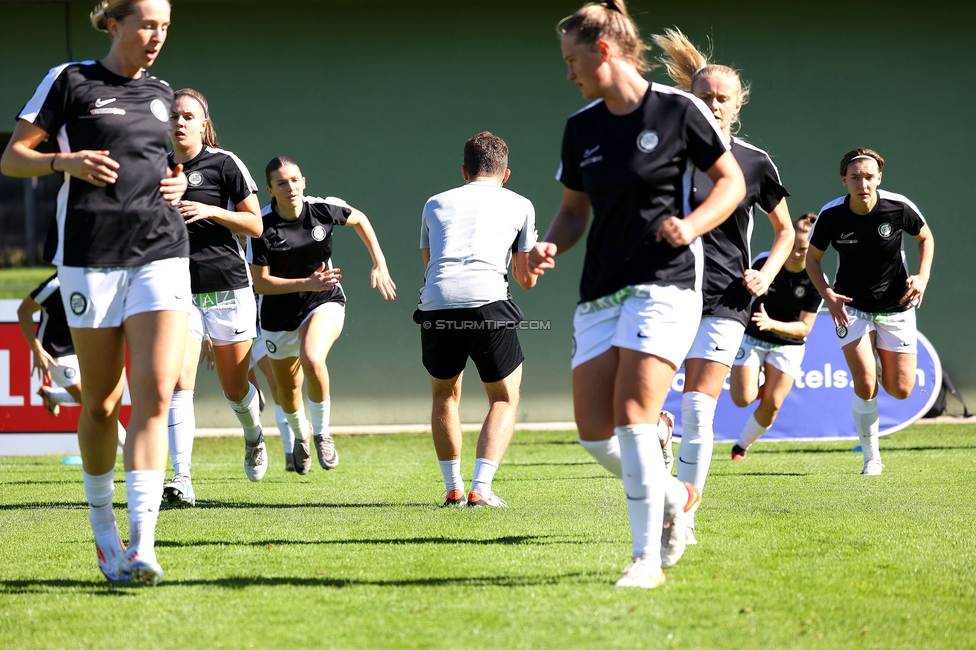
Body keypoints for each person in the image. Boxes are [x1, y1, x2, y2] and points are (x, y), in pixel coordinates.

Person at [529, 1, 746, 588]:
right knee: (594, 433)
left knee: (632, 418)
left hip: (668, 282)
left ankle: (646, 559)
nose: (567, 73)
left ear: (604, 52)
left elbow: (731, 182)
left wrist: (694, 225)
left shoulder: (680, 110)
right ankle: (674, 495)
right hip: (600, 288)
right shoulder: (581, 129)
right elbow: (574, 213)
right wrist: (550, 246)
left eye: (572, 60)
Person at [1, 0, 189, 586]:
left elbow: (156, 165)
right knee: (102, 403)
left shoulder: (161, 93)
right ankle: (104, 534)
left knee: (155, 395)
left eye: (164, 26)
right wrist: (65, 161)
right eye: (145, 25)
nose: (155, 36)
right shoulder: (70, 80)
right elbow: (13, 159)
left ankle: (144, 546)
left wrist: (176, 180)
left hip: (161, 252)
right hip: (89, 261)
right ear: (114, 24)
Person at [652, 28, 794, 543]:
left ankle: (682, 518)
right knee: (642, 416)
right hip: (664, 290)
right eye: (704, 97)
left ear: (738, 105)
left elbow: (783, 232)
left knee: (698, 406)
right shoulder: (663, 153)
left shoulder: (754, 162)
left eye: (722, 99)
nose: (713, 105)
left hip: (725, 297)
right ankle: (661, 438)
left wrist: (769, 272)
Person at [247, 156, 396, 475]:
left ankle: (323, 434)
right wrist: (305, 282)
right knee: (286, 391)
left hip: (324, 299)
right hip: (277, 315)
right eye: (282, 183)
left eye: (295, 180)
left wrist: (378, 261)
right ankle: (301, 437)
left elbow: (360, 220)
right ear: (270, 190)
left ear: (304, 181)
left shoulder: (322, 209)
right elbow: (260, 283)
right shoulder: (262, 227)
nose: (291, 188)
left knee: (313, 357)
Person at [415, 132, 538, 508]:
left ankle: (453, 489)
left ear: (465, 171)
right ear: (506, 174)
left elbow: (429, 263)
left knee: (443, 394)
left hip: (436, 304)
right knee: (503, 398)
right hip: (488, 304)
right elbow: (526, 279)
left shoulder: (434, 203)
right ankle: (480, 489)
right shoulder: (520, 204)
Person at [162, 88, 264, 507]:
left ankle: (253, 434)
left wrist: (211, 212)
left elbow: (255, 225)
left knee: (234, 388)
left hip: (227, 288)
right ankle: (181, 477)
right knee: (178, 384)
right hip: (177, 290)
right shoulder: (157, 167)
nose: (180, 122)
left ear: (204, 123)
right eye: (174, 115)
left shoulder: (225, 164)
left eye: (189, 116)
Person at [806, 149, 934, 475]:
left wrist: (922, 276)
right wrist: (828, 296)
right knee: (864, 383)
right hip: (852, 307)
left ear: (879, 178)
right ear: (844, 180)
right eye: (855, 177)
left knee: (901, 390)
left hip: (897, 305)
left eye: (868, 176)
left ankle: (877, 356)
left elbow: (925, 237)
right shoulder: (832, 215)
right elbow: (812, 260)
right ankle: (871, 459)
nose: (862, 183)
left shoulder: (898, 207)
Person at [729, 214, 822, 459]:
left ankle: (740, 447)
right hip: (753, 337)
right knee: (742, 398)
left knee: (772, 405)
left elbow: (804, 328)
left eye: (803, 248)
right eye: (792, 245)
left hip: (788, 345)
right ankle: (757, 380)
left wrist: (771, 324)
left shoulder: (816, 280)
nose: (796, 252)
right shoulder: (764, 262)